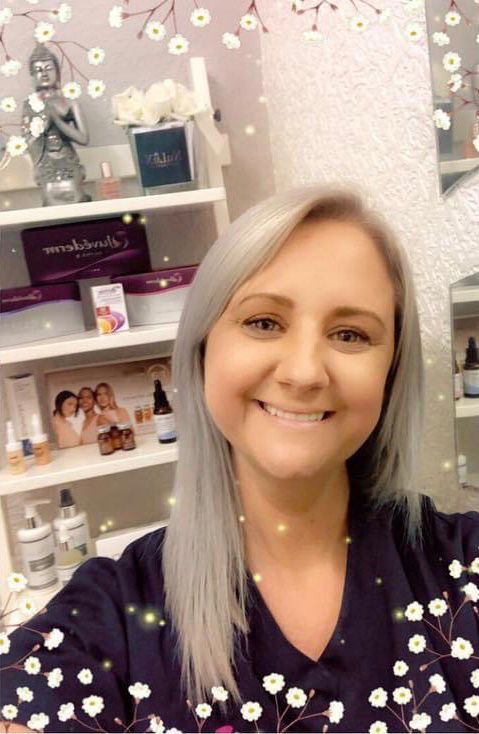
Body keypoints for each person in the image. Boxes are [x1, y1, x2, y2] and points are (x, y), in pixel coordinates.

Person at [0, 186, 478, 734]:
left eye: (350, 334)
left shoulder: (461, 571)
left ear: (390, 374)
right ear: (203, 349)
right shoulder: (111, 614)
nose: (304, 373)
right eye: (264, 323)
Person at [23, 44, 90, 206]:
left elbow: (83, 138)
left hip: (67, 159)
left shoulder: (70, 102)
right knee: (51, 198)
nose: (44, 73)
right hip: (46, 163)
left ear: (57, 72)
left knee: (75, 195)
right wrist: (42, 126)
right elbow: (28, 141)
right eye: (38, 70)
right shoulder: (29, 105)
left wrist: (55, 119)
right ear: (32, 75)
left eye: (49, 68)